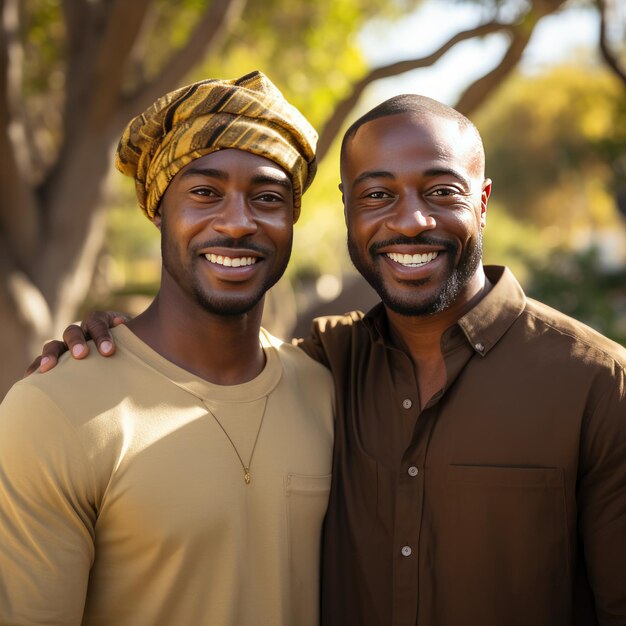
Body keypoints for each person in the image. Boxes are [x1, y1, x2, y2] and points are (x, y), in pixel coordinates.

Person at [27, 95, 626, 626]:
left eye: (442, 191)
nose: (410, 220)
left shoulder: (597, 383)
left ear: (483, 201)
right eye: (377, 195)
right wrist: (102, 344)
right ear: (348, 210)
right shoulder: (330, 362)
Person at [0, 71, 335, 626]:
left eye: (268, 197)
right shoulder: (53, 411)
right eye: (204, 192)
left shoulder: (328, 390)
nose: (236, 223)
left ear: (292, 218)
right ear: (158, 208)